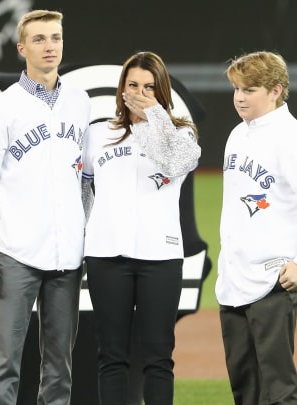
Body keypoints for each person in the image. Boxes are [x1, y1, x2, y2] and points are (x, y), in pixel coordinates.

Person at [0, 9, 90, 405]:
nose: (49, 46)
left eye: (55, 37)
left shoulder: (79, 101)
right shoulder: (4, 107)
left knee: (60, 367)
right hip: (15, 253)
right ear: (22, 48)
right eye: (39, 39)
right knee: (3, 363)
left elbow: (85, 179)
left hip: (67, 255)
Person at [216, 51, 297, 405]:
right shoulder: (237, 135)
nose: (239, 97)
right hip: (235, 277)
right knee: (245, 386)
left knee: (277, 388)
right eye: (236, 88)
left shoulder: (292, 139)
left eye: (250, 89)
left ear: (275, 90)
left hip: (274, 278)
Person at [81, 51, 201, 405]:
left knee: (158, 357)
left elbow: (174, 161)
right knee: (112, 355)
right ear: (121, 89)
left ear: (162, 92)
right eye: (132, 85)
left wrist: (152, 117)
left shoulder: (182, 135)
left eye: (149, 87)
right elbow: (84, 193)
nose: (139, 92)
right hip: (106, 256)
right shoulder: (96, 134)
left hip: (160, 257)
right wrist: (87, 235)